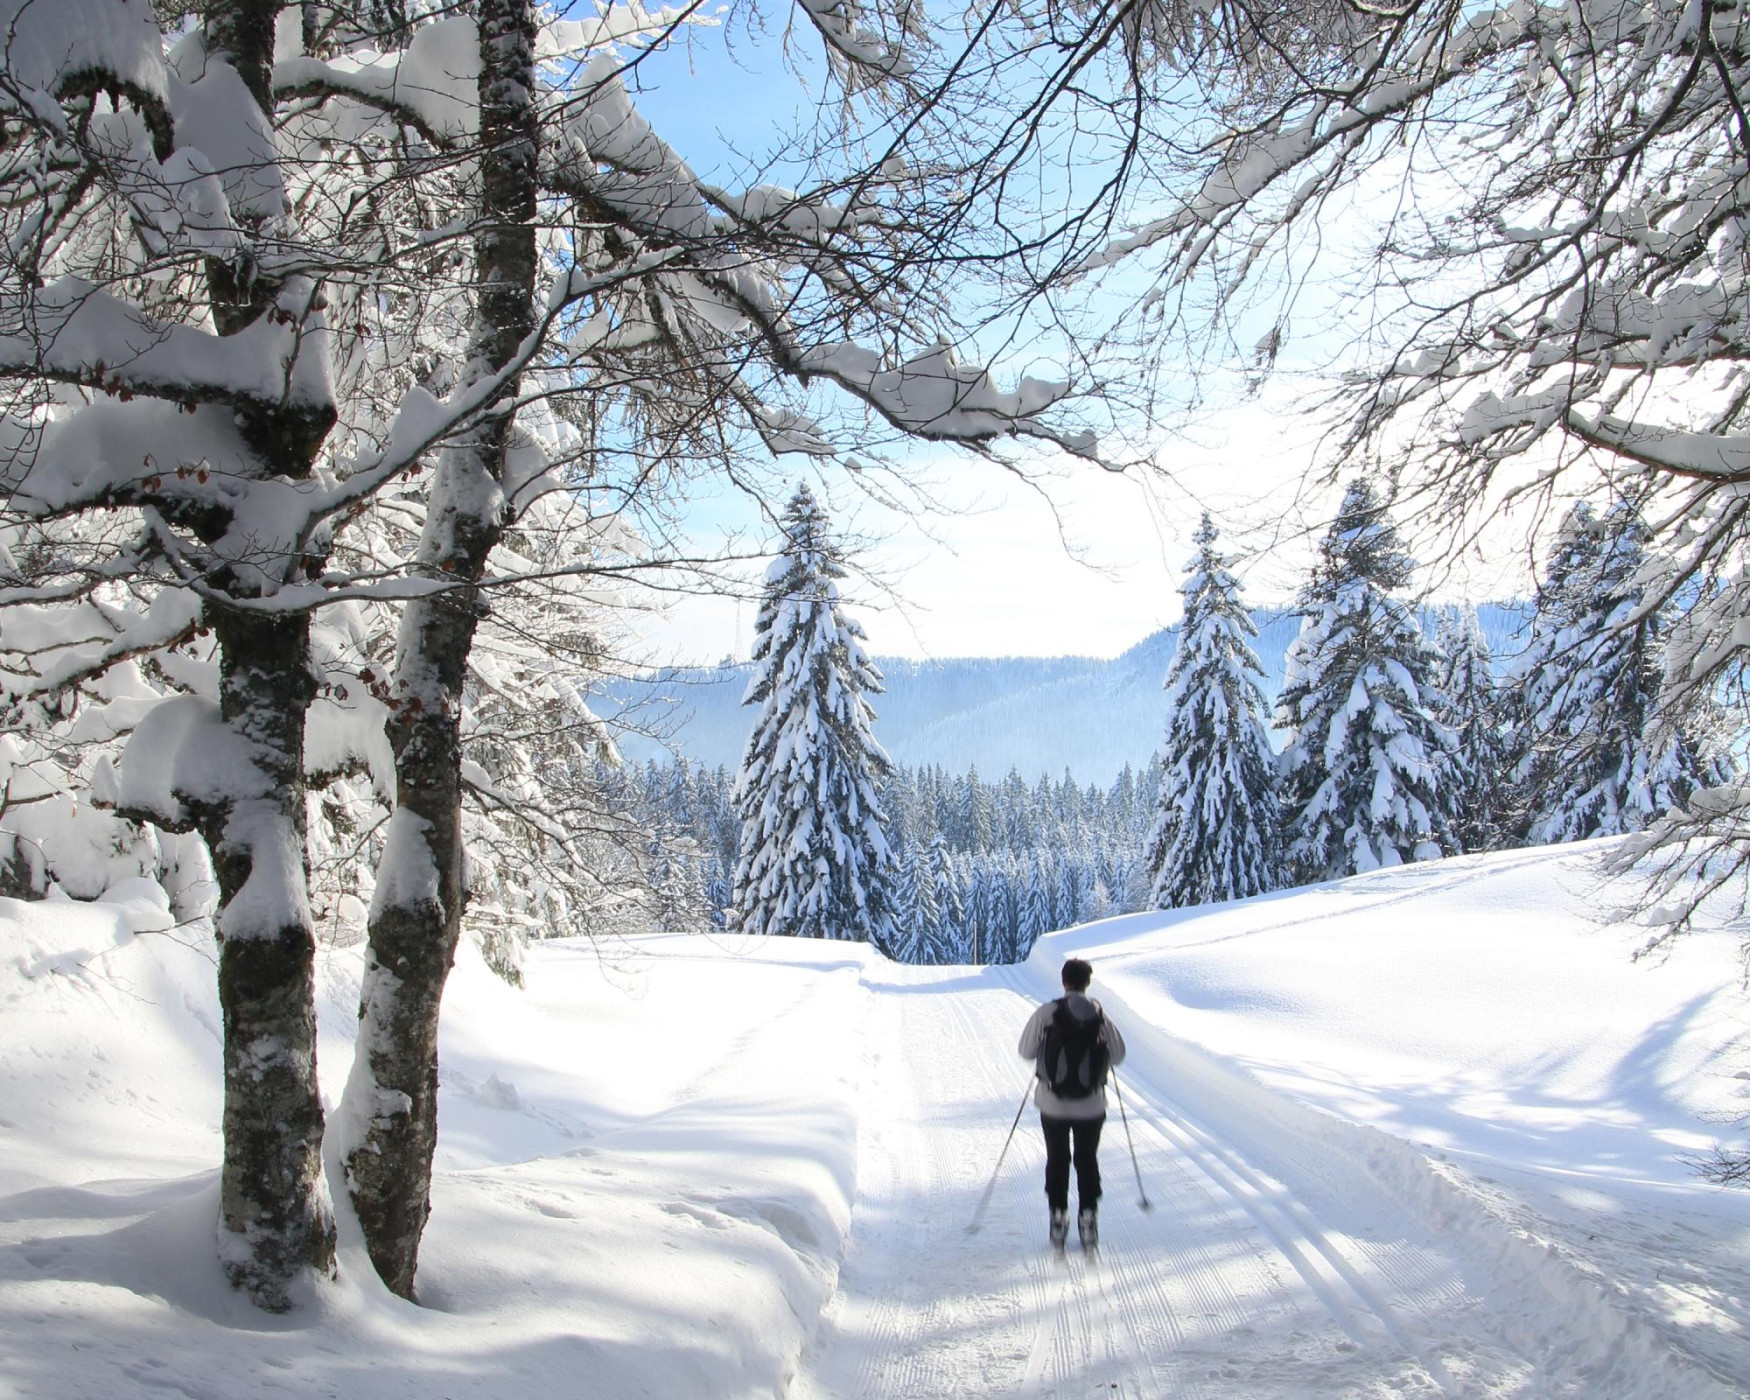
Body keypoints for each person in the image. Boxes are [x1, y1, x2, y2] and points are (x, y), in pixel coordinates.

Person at [1017, 957, 1127, 1249]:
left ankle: (1058, 1216)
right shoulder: (1098, 1013)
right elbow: (1118, 1055)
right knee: (1086, 1159)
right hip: (1092, 1106)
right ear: (1087, 983)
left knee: (1058, 1158)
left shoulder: (1048, 1012)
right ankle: (1088, 1218)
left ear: (1064, 982)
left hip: (1053, 1104)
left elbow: (1026, 1051)